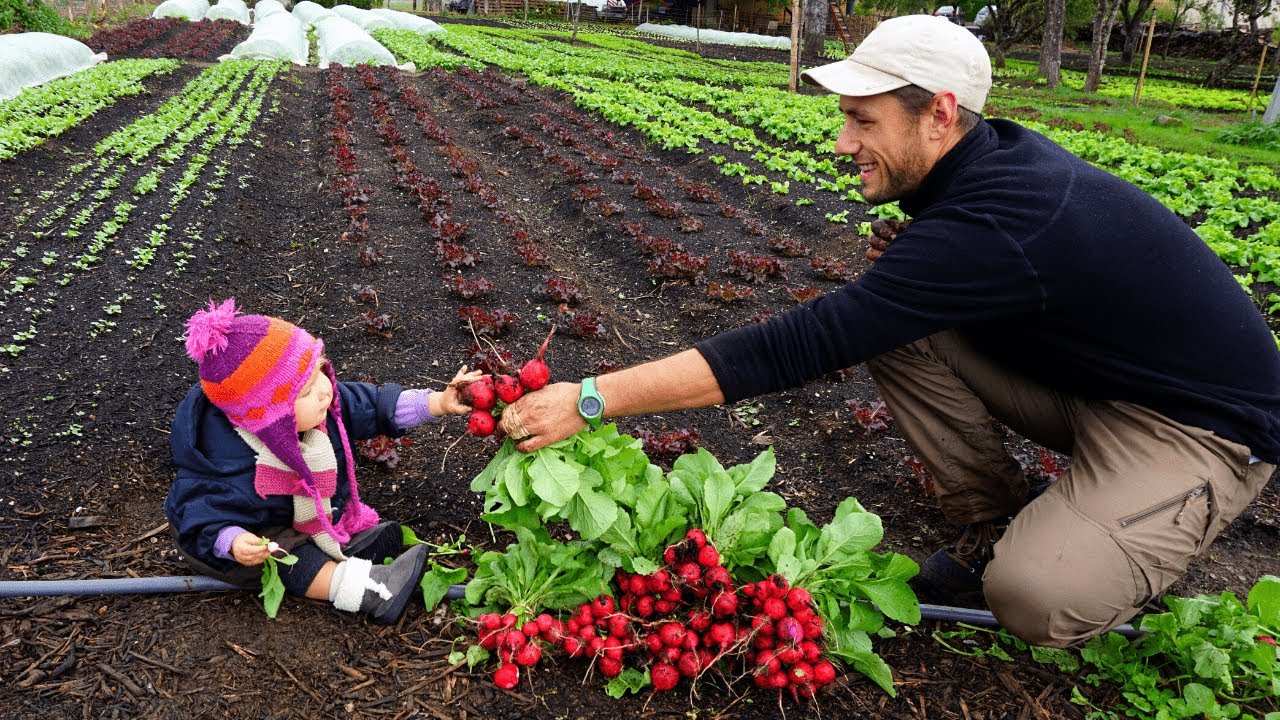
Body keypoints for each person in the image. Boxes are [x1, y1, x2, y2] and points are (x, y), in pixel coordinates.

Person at [499, 15, 1280, 648]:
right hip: (1095, 385)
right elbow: (931, 295)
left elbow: (798, 344)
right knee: (900, 324)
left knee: (1036, 596)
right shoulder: (980, 166)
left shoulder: (1001, 213)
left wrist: (593, 399)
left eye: (861, 120)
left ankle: (1130, 545)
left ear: (940, 113)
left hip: (1200, 428)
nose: (842, 143)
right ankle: (996, 518)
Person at [166, 298, 482, 624]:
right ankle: (370, 591)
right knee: (287, 555)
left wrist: (437, 402)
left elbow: (371, 405)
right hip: (237, 534)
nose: (325, 390)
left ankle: (340, 544)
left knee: (308, 526)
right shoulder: (228, 471)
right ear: (269, 418)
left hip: (288, 513)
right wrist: (231, 542)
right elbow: (199, 519)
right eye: (304, 391)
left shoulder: (318, 405)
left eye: (319, 369)